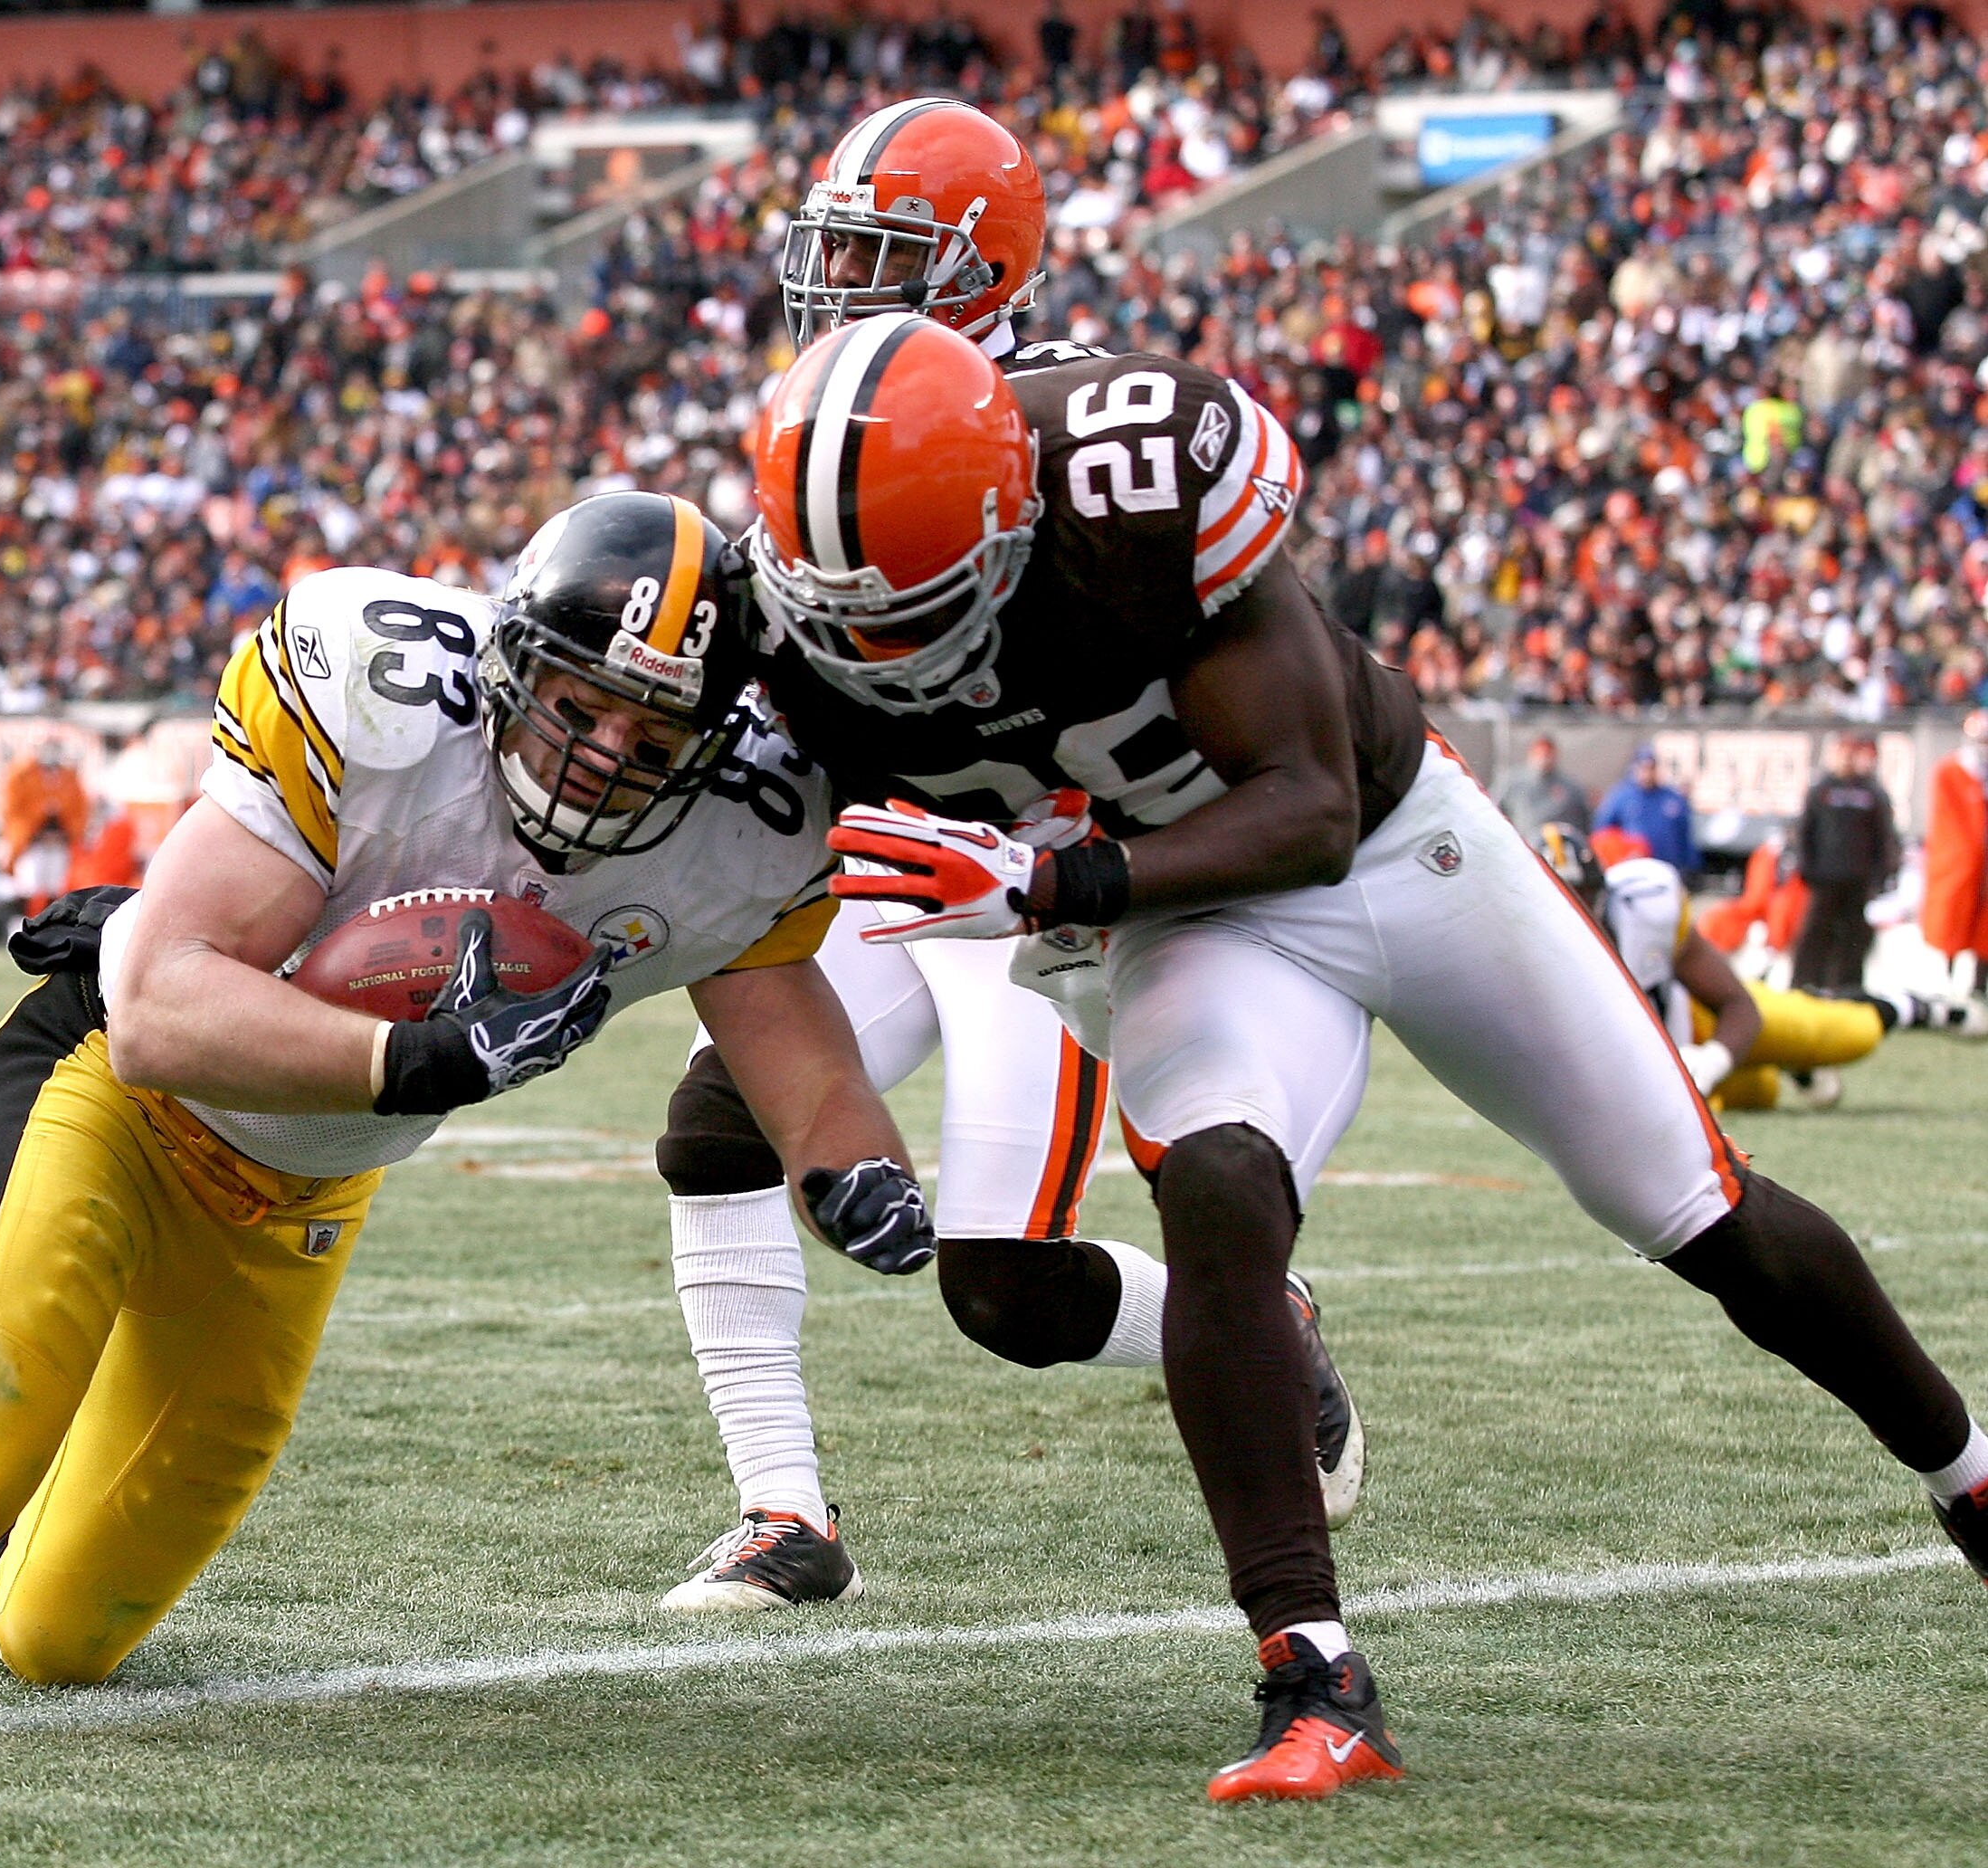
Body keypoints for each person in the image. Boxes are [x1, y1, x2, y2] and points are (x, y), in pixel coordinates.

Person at [747, 313, 1988, 1802]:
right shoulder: (799, 629)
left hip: (1398, 850)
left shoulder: (1138, 496)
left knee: (1693, 1204)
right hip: (1201, 925)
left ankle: (1969, 1474)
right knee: (1215, 1185)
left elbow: (1311, 805)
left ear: (1016, 521)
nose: (882, 646)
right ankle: (1312, 1673)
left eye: (923, 601)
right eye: (846, 609)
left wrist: (1055, 886)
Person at [0, 491, 928, 1688]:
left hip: (297, 1190)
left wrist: (862, 1176)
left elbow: (792, 1043)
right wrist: (416, 1056)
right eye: (575, 704)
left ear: (714, 741)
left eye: (651, 734)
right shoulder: (384, 690)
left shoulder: (741, 837)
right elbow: (159, 1009)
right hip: (115, 1091)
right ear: (510, 664)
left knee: (57, 1636)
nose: (602, 755)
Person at [658, 97, 1362, 1614]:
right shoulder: (828, 420)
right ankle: (784, 1506)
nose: (835, 280)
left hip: (1031, 895)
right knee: (716, 1125)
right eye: (829, 247)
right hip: (889, 861)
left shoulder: (1078, 437)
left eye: (879, 252)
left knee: (1006, 1288)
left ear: (983, 271)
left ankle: (1265, 1316)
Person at [1534, 824, 1979, 1115]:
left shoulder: (1646, 908)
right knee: (1761, 1094)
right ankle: (1790, 1066)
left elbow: (1736, 1004)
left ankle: (1926, 1011)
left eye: (1583, 893)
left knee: (1845, 1036)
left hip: (1698, 1026)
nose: (1578, 911)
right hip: (1659, 1076)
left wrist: (1710, 1062)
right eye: (1562, 897)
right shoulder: (1527, 963)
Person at [1791, 735, 1900, 996]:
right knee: (1815, 931)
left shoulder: (1871, 792)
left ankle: (1847, 985)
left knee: (1855, 935)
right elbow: (1805, 831)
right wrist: (1806, 868)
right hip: (1825, 876)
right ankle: (1805, 982)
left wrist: (1882, 872)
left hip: (1859, 878)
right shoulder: (1821, 789)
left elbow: (1883, 835)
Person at [1924, 710, 1988, 1001]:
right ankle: (1945, 980)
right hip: (1962, 860)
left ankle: (1978, 984)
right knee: (1951, 917)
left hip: (1981, 861)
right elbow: (1953, 823)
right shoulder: (1952, 770)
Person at [3, 739, 88, 918]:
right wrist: (32, 829)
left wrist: (67, 832)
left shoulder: (68, 778)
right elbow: (13, 811)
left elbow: (79, 812)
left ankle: (48, 926)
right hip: (32, 842)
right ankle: (21, 925)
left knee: (54, 887)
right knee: (27, 886)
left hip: (59, 842)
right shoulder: (24, 775)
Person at [1593, 744, 1698, 875]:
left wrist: (1691, 867)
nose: (1647, 773)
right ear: (1635, 768)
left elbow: (1685, 836)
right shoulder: (1621, 797)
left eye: (1651, 768)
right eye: (1643, 767)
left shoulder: (1672, 798)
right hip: (1632, 872)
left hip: (1669, 870)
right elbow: (1602, 834)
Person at [1494, 733, 1588, 846]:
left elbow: (1585, 820)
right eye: (1540, 753)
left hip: (1562, 848)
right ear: (1531, 753)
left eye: (1548, 754)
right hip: (1522, 845)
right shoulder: (1511, 782)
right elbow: (1493, 810)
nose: (1544, 758)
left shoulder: (1570, 786)